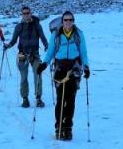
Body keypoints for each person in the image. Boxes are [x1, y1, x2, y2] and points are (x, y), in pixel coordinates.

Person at [37, 11, 89, 141]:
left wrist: (86, 67)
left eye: (70, 20)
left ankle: (68, 128)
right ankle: (59, 127)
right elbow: (51, 51)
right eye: (66, 20)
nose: (68, 22)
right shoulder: (56, 35)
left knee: (70, 100)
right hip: (60, 70)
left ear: (73, 21)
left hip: (74, 70)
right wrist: (44, 64)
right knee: (61, 100)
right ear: (62, 21)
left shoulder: (78, 34)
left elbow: (83, 52)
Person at [5, 5, 49, 108]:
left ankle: (38, 98)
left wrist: (46, 45)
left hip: (34, 54)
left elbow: (43, 37)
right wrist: (8, 46)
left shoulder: (37, 25)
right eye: (24, 13)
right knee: (23, 77)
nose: (26, 15)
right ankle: (25, 99)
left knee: (38, 75)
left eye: (27, 13)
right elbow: (14, 40)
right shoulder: (19, 26)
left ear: (30, 13)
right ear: (22, 14)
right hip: (22, 54)